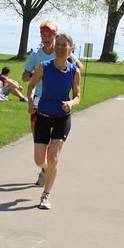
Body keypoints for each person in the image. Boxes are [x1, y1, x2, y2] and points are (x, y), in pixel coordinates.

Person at [27, 32, 81, 210]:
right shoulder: (44, 66)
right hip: (42, 115)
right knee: (39, 159)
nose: (58, 48)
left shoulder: (74, 72)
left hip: (62, 118)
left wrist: (71, 103)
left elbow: (78, 95)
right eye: (57, 45)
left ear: (70, 49)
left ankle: (45, 196)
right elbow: (32, 85)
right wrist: (30, 101)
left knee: (54, 157)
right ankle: (45, 169)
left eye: (63, 45)